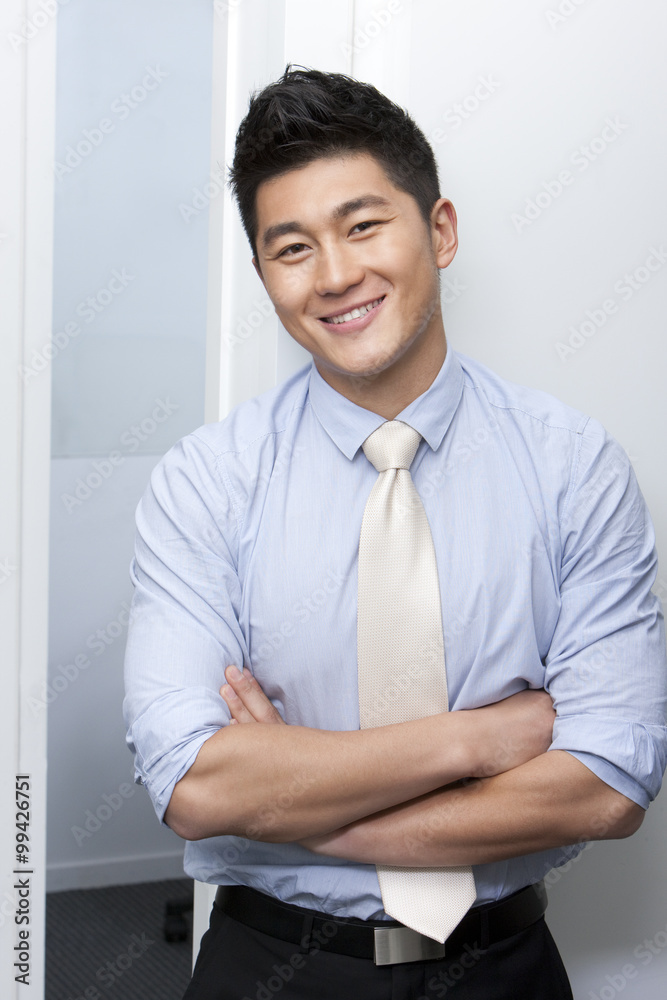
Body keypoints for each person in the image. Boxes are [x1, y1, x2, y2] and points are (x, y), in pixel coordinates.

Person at [122, 66, 667, 1000]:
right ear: (264, 275)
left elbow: (606, 787)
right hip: (271, 971)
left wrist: (302, 807)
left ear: (440, 231)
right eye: (290, 248)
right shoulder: (205, 483)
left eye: (363, 225)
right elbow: (198, 789)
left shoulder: (573, 467)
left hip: (505, 971)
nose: (335, 276)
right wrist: (486, 738)